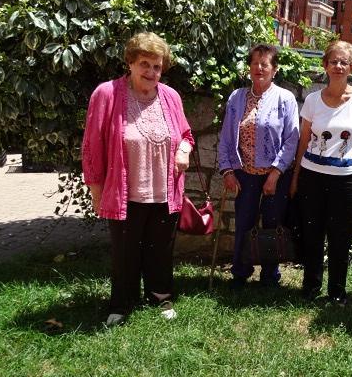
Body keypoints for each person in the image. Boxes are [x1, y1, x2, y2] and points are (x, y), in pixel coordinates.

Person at [82, 32, 194, 326]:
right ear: (130, 62)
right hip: (125, 193)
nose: (151, 72)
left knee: (161, 250)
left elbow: (186, 134)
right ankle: (121, 303)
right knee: (125, 252)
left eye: (157, 66)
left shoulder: (170, 97)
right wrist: (96, 191)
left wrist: (183, 150)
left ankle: (160, 296)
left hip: (164, 192)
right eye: (145, 64)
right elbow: (92, 146)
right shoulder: (107, 94)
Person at [290, 40, 352, 305]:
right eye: (334, 61)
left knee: (341, 237)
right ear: (325, 65)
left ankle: (337, 292)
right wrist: (295, 177)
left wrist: (348, 149)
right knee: (312, 233)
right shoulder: (312, 100)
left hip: (348, 180)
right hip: (312, 177)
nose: (338, 66)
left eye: (344, 62)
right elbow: (303, 141)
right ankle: (311, 287)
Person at [218, 44, 299, 287]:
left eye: (265, 64)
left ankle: (269, 276)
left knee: (272, 225)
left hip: (276, 175)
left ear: (275, 69)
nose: (259, 68)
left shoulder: (285, 98)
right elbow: (226, 137)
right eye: (255, 63)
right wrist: (228, 170)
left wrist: (275, 174)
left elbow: (292, 139)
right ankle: (240, 273)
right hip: (244, 174)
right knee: (244, 223)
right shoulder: (237, 97)